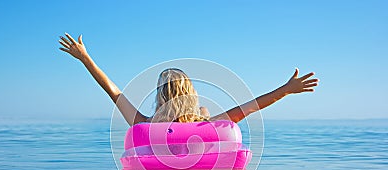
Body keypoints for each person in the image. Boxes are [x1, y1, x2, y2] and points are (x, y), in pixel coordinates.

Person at [59, 33, 319, 126]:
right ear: (190, 93)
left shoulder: (146, 126)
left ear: (160, 96)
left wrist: (86, 59)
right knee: (206, 111)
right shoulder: (207, 123)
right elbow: (251, 106)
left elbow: (114, 92)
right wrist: (285, 89)